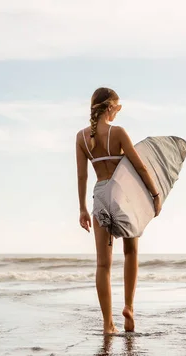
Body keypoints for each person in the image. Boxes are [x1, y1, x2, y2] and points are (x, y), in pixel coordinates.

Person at [75, 87, 162, 334]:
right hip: (123, 194)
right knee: (131, 251)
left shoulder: (81, 138)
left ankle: (107, 324)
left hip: (100, 194)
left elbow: (82, 176)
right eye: (117, 108)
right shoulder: (119, 133)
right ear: (111, 107)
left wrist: (82, 208)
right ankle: (129, 308)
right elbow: (141, 166)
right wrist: (155, 195)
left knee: (103, 264)